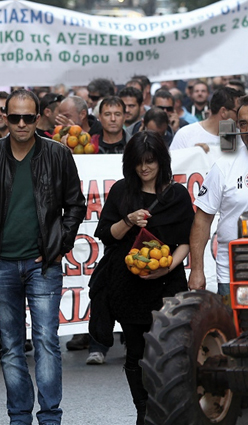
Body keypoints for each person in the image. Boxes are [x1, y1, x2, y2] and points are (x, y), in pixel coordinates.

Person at [0, 89, 86, 425]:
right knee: (11, 345)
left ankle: (49, 417)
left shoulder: (58, 154)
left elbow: (76, 204)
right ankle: (19, 416)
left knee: (46, 341)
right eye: (13, 116)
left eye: (27, 117)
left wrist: (59, 243)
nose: (20, 124)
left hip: (42, 265)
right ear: (3, 117)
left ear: (37, 118)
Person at [88, 131, 194, 425]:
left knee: (172, 352)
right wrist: (128, 221)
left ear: (161, 161)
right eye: (138, 162)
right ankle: (143, 408)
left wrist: (168, 266)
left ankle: (170, 407)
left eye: (150, 162)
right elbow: (107, 235)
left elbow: (186, 240)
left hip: (166, 284)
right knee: (135, 350)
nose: (144, 168)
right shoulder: (122, 191)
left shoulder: (177, 194)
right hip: (128, 283)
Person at [187, 105, 248, 296]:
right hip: (232, 274)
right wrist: (197, 270)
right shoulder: (224, 166)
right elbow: (202, 220)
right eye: (243, 123)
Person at [169, 87, 240, 152]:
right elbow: (173, 164)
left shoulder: (240, 137)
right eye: (237, 112)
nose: (240, 116)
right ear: (224, 112)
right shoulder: (185, 135)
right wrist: (193, 155)